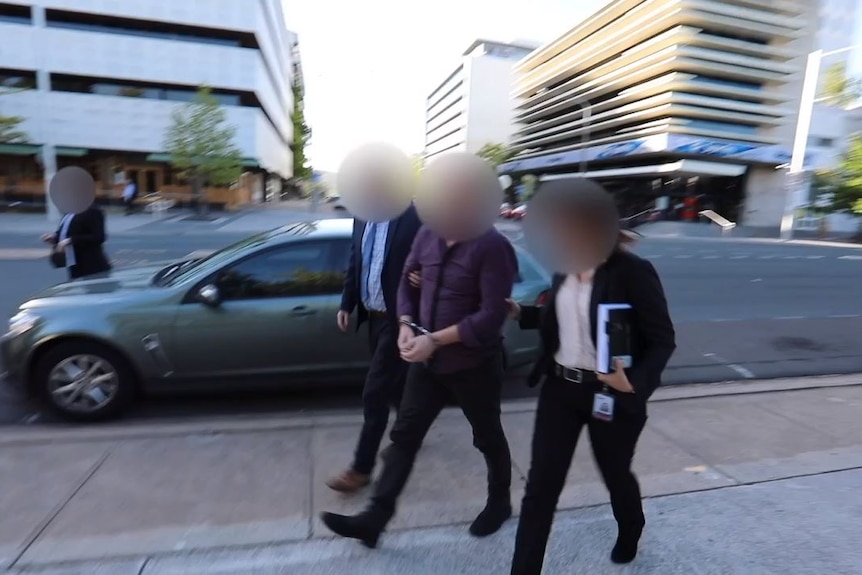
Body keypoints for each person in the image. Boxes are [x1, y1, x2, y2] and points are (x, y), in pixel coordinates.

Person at [321, 205, 518, 549]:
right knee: (403, 440)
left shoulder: (491, 245)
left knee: (487, 436)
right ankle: (374, 521)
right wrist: (404, 325)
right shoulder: (427, 235)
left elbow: (492, 314)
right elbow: (404, 284)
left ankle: (500, 502)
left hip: (475, 365)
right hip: (426, 365)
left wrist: (434, 340)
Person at [508, 179, 676, 574]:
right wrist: (521, 313)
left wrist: (631, 381)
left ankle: (631, 527)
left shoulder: (632, 272)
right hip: (560, 390)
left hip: (611, 392)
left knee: (615, 472)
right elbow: (562, 321)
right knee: (540, 490)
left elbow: (662, 339)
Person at [327, 202, 422, 492]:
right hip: (374, 318)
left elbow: (438, 250)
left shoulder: (414, 215)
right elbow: (356, 260)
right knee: (396, 385)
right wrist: (347, 303)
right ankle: (408, 434)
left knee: (375, 393)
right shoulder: (362, 215)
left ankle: (361, 468)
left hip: (399, 318)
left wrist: (426, 273)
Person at [41, 204, 111, 281]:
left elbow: (99, 237)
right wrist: (54, 238)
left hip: (91, 262)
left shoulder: (93, 211)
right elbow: (67, 231)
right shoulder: (69, 212)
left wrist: (71, 240)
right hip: (73, 261)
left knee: (91, 287)